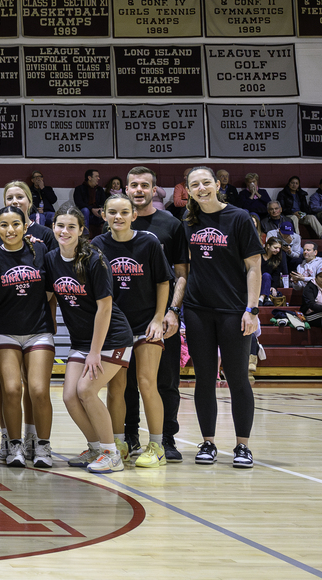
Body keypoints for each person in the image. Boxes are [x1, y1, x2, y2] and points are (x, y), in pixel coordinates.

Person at [175, 166, 262, 468]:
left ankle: (242, 446)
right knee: (203, 379)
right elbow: (182, 270)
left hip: (234, 311)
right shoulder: (186, 221)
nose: (201, 188)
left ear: (216, 185)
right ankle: (208, 442)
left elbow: (253, 266)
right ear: (188, 190)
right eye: (194, 184)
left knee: (238, 379)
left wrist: (251, 309)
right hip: (198, 310)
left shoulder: (238, 218)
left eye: (206, 182)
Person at [46, 206, 134, 474]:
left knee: (86, 390)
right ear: (53, 227)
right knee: (70, 397)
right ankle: (95, 447)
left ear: (81, 231)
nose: (65, 231)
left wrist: (95, 352)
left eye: (71, 227)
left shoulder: (95, 259)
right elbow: (49, 296)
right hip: (81, 341)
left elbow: (105, 308)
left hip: (113, 338)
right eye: (61, 225)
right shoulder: (51, 259)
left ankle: (112, 453)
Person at [93, 195, 172, 468]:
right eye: (112, 212)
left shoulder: (148, 242)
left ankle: (157, 446)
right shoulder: (97, 245)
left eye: (124, 212)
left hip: (145, 324)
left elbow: (164, 282)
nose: (118, 217)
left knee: (147, 382)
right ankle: (119, 444)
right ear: (104, 215)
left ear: (133, 215)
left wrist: (159, 318)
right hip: (116, 328)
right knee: (116, 387)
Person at [124, 166, 189, 464]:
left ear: (154, 191)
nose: (139, 190)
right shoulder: (117, 222)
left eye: (144, 185)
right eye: (133, 185)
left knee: (165, 381)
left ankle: (167, 438)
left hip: (161, 316)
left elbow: (181, 273)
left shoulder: (171, 224)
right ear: (125, 190)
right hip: (124, 318)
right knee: (125, 382)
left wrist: (173, 311)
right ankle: (129, 436)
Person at [0, 205, 54, 468]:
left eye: (16, 224)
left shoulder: (41, 252)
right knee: (12, 389)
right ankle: (14, 445)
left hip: (38, 330)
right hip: (4, 330)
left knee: (38, 390)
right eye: (4, 225)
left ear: (26, 227)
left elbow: (51, 291)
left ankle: (42, 446)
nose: (10, 229)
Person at [1, 181, 57, 250]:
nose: (14, 201)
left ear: (29, 202)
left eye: (20, 197)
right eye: (9, 198)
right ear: (5, 203)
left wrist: (38, 248)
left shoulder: (46, 233)